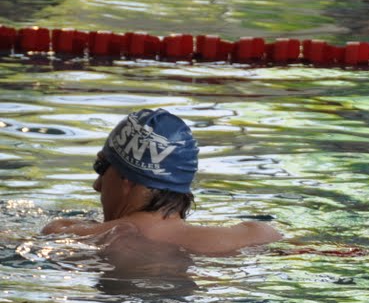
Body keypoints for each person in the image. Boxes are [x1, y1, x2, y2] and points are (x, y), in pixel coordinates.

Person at [42, 108, 283, 255]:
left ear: (127, 178)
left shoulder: (73, 236)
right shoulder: (258, 235)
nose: (97, 185)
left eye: (101, 168)